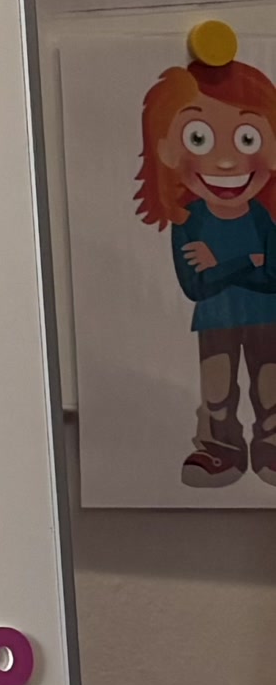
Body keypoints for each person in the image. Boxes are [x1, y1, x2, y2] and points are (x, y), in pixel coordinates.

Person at [136, 30, 276, 484]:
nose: (227, 162)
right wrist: (250, 262)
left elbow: (274, 275)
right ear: (166, 149)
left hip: (268, 315)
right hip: (214, 319)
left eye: (248, 139)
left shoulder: (263, 216)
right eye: (198, 138)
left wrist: (224, 265)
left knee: (271, 384)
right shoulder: (188, 219)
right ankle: (222, 449)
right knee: (217, 388)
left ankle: (271, 446)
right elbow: (195, 285)